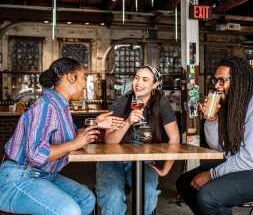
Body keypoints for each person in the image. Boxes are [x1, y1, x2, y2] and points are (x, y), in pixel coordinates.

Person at [0, 57, 124, 215]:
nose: (85, 85)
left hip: (42, 175)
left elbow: (72, 138)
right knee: (69, 211)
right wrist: (75, 143)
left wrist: (97, 124)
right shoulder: (46, 106)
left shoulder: (61, 107)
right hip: (17, 178)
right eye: (83, 78)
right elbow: (36, 155)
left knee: (86, 199)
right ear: (71, 77)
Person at [176, 56, 253, 215]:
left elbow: (252, 157)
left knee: (209, 196)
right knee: (185, 182)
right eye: (215, 81)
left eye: (222, 81)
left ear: (239, 80)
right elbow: (219, 146)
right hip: (250, 167)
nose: (217, 86)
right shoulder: (235, 103)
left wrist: (212, 174)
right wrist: (212, 120)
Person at [96, 65, 180, 215]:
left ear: (154, 85)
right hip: (113, 159)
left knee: (147, 193)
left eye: (145, 79)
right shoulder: (122, 102)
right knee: (112, 195)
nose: (138, 83)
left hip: (143, 160)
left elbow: (174, 138)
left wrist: (165, 169)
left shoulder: (161, 103)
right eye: (136, 78)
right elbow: (109, 141)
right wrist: (128, 121)